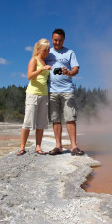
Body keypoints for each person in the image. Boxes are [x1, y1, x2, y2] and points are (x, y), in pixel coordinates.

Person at [45, 28, 84, 156]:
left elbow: (76, 69)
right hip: (51, 91)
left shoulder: (69, 52)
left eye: (60, 41)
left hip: (67, 90)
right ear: (52, 39)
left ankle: (73, 146)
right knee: (55, 119)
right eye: (55, 40)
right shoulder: (47, 53)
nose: (57, 43)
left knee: (70, 118)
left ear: (64, 40)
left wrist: (69, 72)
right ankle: (58, 146)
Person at [17, 38, 52, 156]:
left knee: (41, 123)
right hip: (33, 94)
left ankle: (38, 147)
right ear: (38, 49)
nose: (47, 52)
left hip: (44, 94)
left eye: (48, 50)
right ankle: (22, 147)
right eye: (45, 50)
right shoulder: (34, 60)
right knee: (28, 121)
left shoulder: (45, 62)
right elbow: (29, 76)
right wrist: (42, 69)